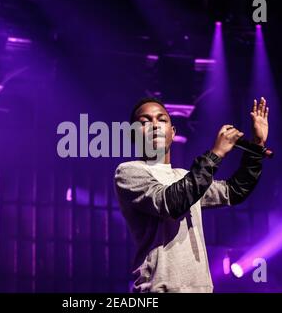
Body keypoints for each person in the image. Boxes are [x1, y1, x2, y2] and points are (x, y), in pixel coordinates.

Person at [114, 97, 269, 293]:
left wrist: (256, 145)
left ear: (173, 132)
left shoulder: (185, 177)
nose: (155, 126)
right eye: (145, 122)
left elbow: (234, 191)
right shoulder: (129, 172)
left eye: (162, 120)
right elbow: (171, 203)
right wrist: (216, 154)